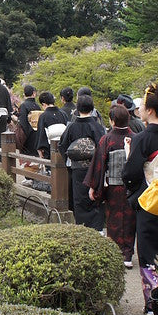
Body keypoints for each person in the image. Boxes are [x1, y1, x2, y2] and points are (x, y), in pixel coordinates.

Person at [121, 81, 158, 315]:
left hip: (150, 203)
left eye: (143, 105)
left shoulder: (142, 139)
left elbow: (130, 174)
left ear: (151, 110)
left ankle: (154, 305)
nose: (140, 110)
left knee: (148, 254)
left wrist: (129, 156)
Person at [84, 105, 138, 268]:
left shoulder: (107, 139)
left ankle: (116, 254)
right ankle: (127, 255)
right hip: (131, 188)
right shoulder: (135, 138)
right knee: (129, 219)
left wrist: (94, 186)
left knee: (114, 219)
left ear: (112, 120)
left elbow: (99, 165)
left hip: (114, 187)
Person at [58, 94, 106, 231]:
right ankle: (98, 230)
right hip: (94, 169)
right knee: (94, 200)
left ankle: (81, 229)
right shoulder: (97, 127)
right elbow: (102, 148)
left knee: (79, 200)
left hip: (77, 170)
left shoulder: (72, 127)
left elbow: (62, 145)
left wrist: (71, 160)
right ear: (92, 109)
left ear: (77, 109)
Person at [36, 91, 69, 159]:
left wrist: (40, 148)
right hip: (64, 149)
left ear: (43, 104)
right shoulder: (63, 114)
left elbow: (41, 134)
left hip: (49, 150)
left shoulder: (43, 116)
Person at [17, 85, 41, 158]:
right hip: (37, 136)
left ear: (24, 94)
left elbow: (23, 123)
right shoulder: (37, 106)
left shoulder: (23, 106)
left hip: (27, 137)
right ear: (34, 93)